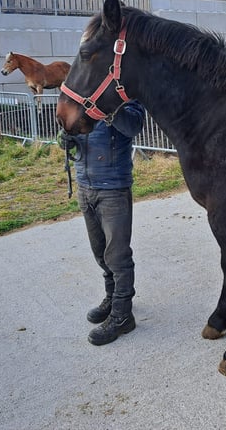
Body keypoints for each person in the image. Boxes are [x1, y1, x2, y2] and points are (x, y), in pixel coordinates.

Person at [62, 100, 146, 345]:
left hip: (113, 189)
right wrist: (63, 140)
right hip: (85, 186)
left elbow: (133, 126)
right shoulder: (80, 101)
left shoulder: (127, 100)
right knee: (99, 252)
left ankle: (122, 315)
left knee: (117, 256)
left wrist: (107, 107)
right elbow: (70, 131)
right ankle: (112, 297)